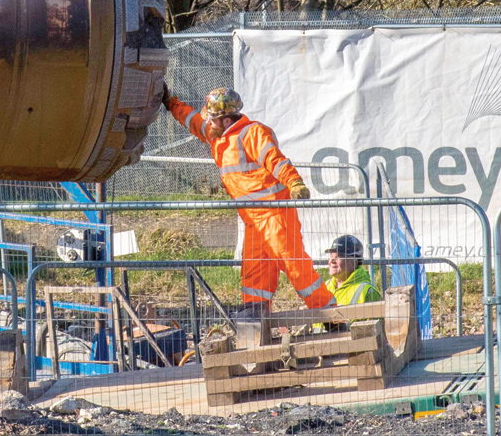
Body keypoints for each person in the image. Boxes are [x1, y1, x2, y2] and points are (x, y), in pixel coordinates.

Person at [162, 86, 335, 316]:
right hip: (253, 221)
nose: (208, 123)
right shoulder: (218, 136)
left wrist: (294, 182)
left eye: (212, 119)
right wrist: (171, 104)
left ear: (225, 120)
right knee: (255, 277)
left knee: (296, 269)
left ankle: (331, 317)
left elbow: (275, 160)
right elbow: (194, 120)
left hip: (275, 216)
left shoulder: (252, 133)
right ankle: (255, 324)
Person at [323, 235, 382, 306]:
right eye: (331, 256)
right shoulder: (326, 286)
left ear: (354, 262)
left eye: (339, 256)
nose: (332, 261)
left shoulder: (367, 292)